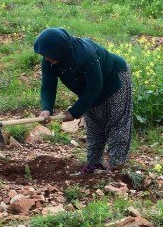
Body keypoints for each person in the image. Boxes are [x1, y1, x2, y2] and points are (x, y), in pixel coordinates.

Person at [33, 28, 133, 174]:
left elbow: (94, 87)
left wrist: (74, 112)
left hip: (114, 78)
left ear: (59, 49)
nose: (46, 57)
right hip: (88, 89)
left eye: (48, 54)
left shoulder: (85, 55)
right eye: (44, 54)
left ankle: (116, 167)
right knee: (94, 125)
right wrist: (46, 108)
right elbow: (48, 86)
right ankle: (94, 164)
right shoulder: (50, 60)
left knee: (117, 122)